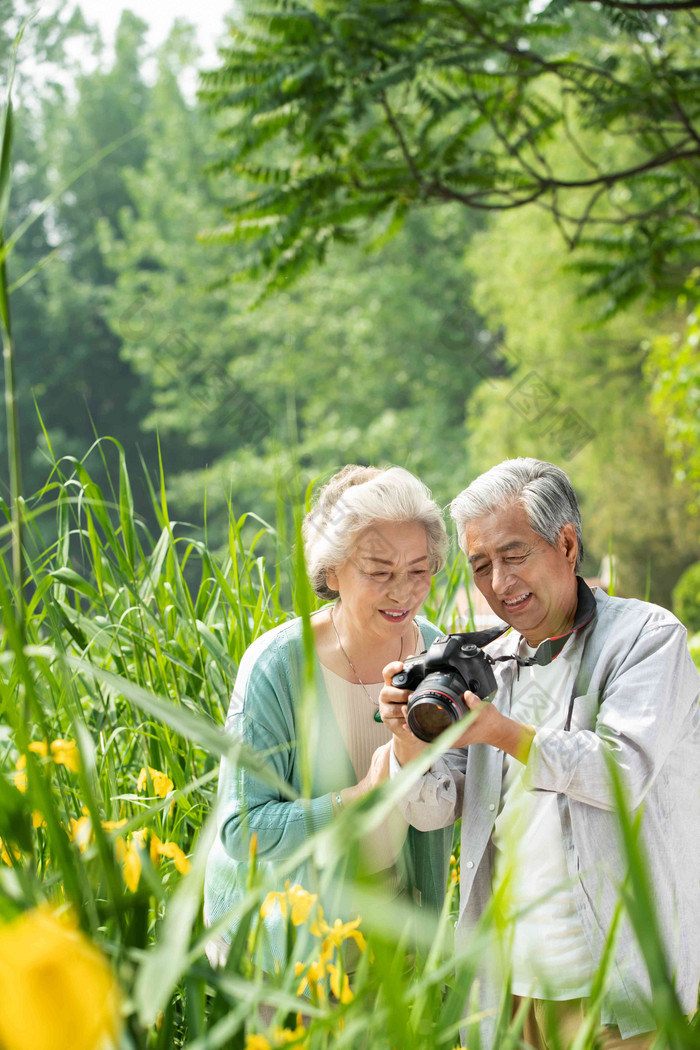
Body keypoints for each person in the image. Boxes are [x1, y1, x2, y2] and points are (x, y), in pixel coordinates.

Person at [379, 457, 700, 1049]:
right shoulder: (487, 663)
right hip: (507, 988)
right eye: (481, 566)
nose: (499, 584)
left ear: (568, 544)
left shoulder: (647, 639)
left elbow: (622, 771)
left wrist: (503, 732)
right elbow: (430, 811)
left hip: (616, 986)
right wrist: (406, 739)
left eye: (514, 555)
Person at [204, 464, 453, 972]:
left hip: (396, 923)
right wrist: (359, 799)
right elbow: (241, 828)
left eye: (418, 569)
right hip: (284, 939)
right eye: (379, 571)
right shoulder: (278, 666)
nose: (402, 591)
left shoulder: (434, 648)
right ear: (331, 570)